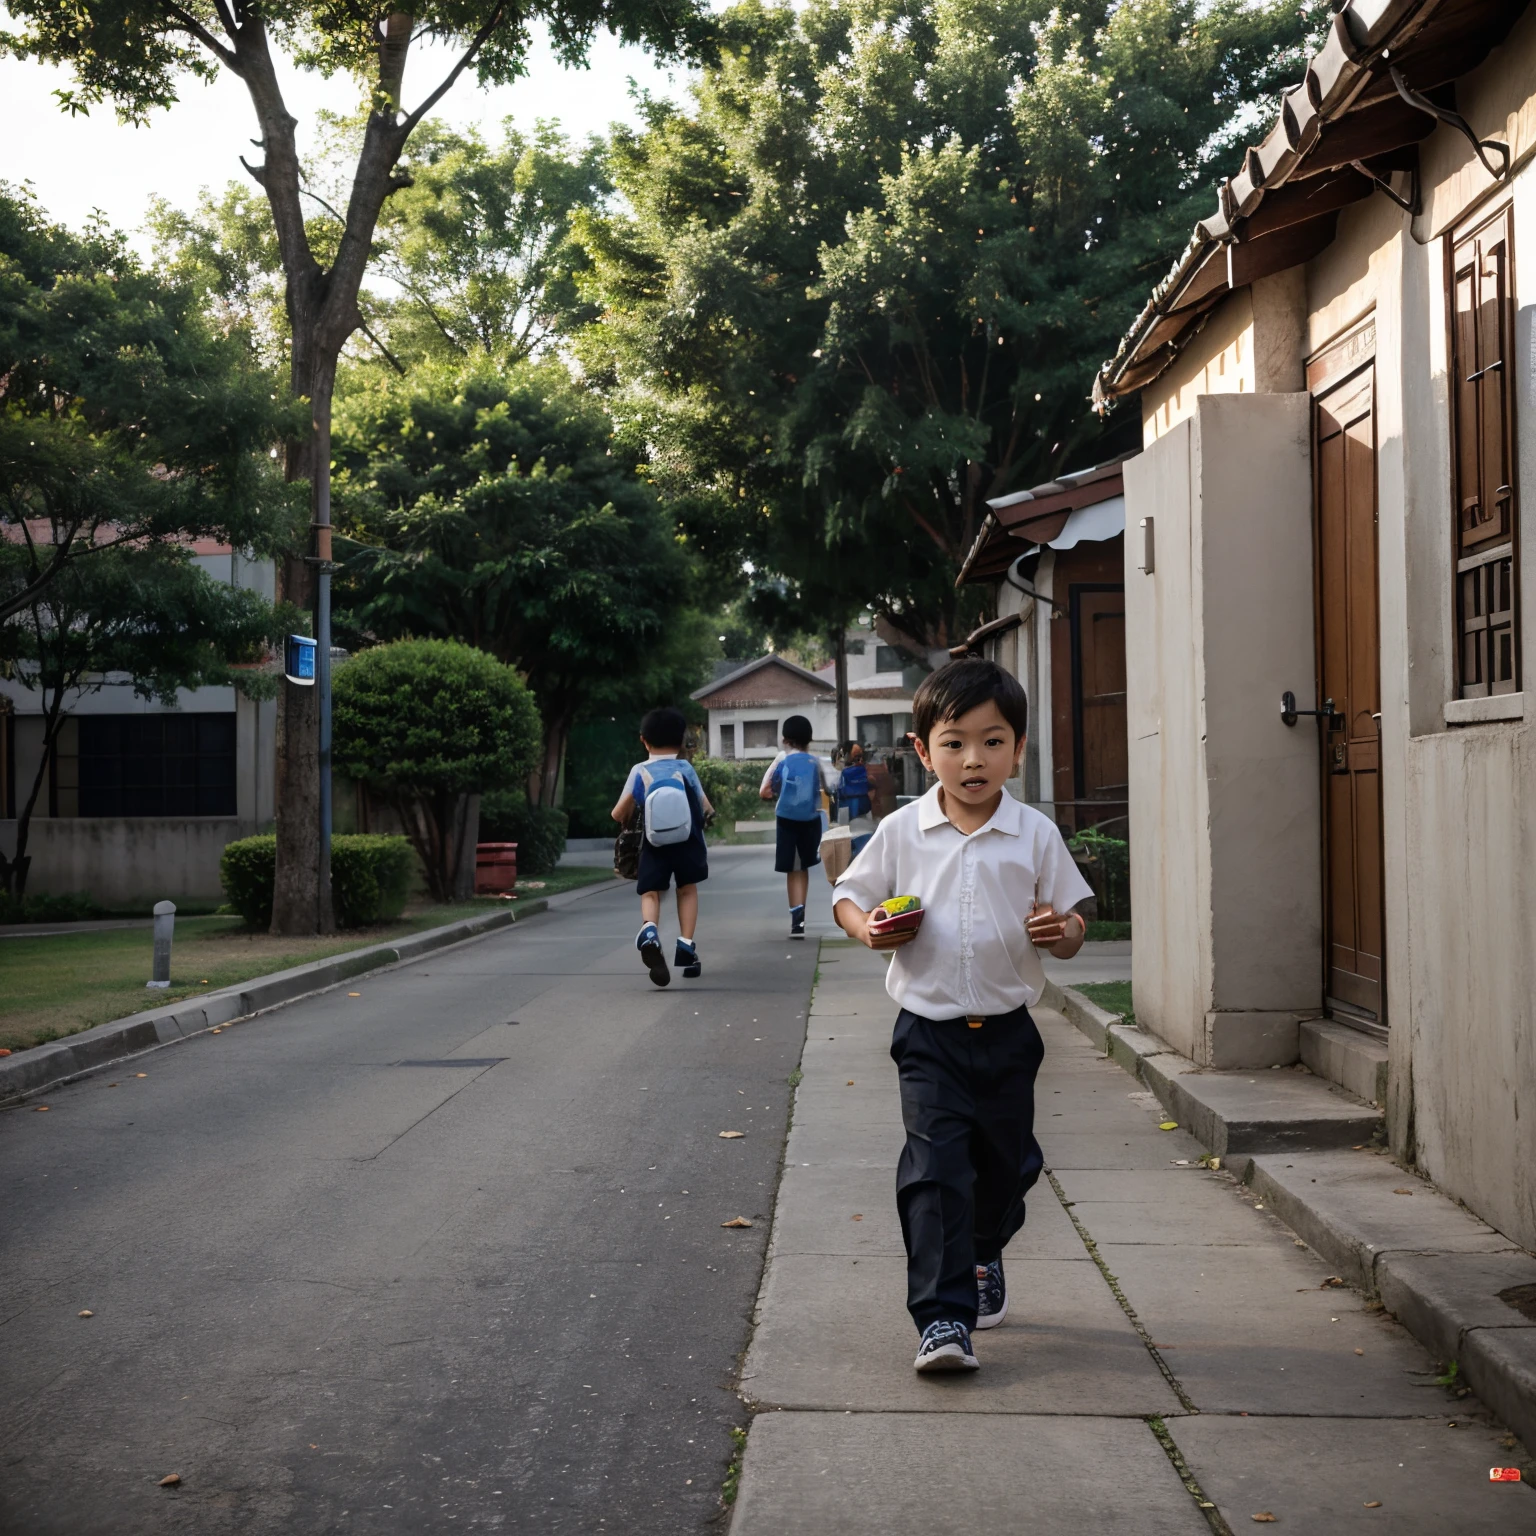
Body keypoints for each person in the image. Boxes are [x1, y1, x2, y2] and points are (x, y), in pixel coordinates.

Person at [831, 657, 1091, 1374]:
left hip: (1009, 1034)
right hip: (928, 1034)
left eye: (992, 740)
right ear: (923, 750)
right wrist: (868, 929)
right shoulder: (904, 831)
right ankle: (945, 1319)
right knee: (937, 1170)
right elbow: (850, 895)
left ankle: (985, 1248)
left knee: (1006, 1169)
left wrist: (1061, 933)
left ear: (1018, 747)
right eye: (954, 742)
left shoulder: (1034, 833)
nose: (973, 759)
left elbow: (1074, 921)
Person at [611, 706, 714, 987]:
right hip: (688, 841)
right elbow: (706, 808)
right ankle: (686, 944)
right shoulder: (685, 768)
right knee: (687, 889)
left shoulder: (639, 771)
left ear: (643, 739)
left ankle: (650, 930)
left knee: (651, 892)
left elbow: (618, 814)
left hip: (653, 842)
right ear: (682, 741)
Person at [758, 714, 825, 940]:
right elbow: (829, 789)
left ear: (785, 738)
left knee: (792, 869)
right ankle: (801, 918)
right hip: (810, 821)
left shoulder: (782, 759)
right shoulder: (815, 762)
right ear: (809, 739)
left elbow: (765, 791)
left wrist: (782, 792)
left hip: (787, 820)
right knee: (802, 868)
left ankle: (795, 921)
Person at [837, 742, 871, 820]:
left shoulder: (846, 773)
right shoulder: (864, 770)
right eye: (857, 756)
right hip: (862, 805)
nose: (860, 760)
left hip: (852, 806)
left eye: (861, 756)